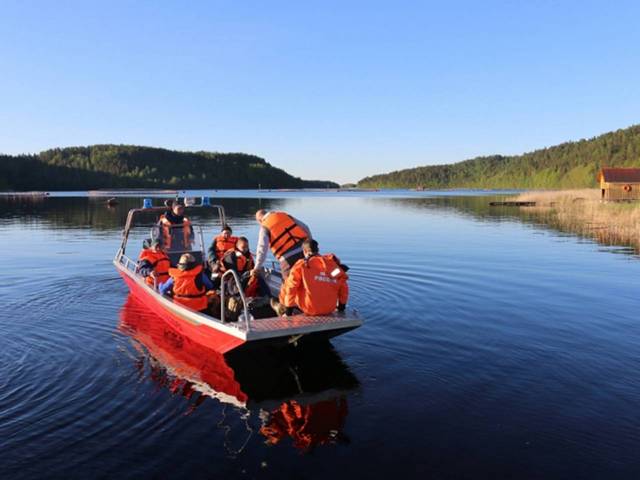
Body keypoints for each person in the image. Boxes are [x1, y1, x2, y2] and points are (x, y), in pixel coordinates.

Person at [271, 239, 349, 316]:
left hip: (309, 308)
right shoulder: (333, 266)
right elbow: (344, 287)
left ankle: (282, 309)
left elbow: (291, 287)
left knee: (287, 284)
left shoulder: (301, 265)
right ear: (318, 250)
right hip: (329, 308)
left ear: (304, 251)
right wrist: (341, 307)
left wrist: (288, 312)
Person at [251, 209, 312, 281]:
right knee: (310, 277)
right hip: (305, 251)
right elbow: (306, 227)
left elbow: (262, 249)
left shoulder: (264, 227)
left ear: (260, 221)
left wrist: (257, 268)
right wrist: (310, 246)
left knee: (288, 284)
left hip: (288, 258)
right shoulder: (285, 215)